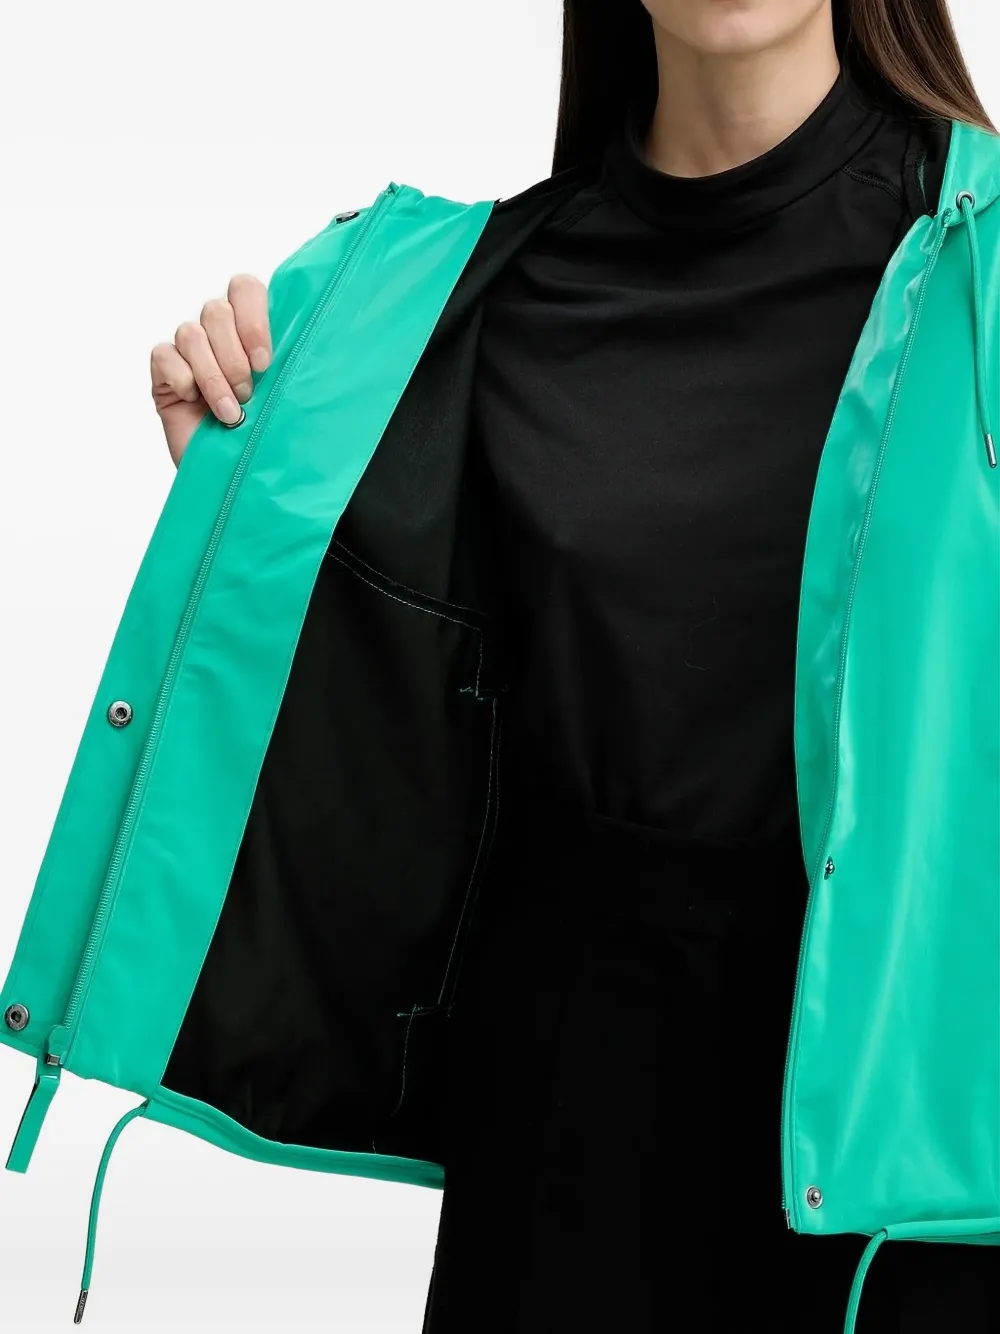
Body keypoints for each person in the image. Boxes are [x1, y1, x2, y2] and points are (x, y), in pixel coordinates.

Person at [146, 1, 998, 1330]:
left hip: (918, 1185)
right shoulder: (471, 300)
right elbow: (394, 758)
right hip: (563, 1164)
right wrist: (243, 503)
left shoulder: (985, 274)